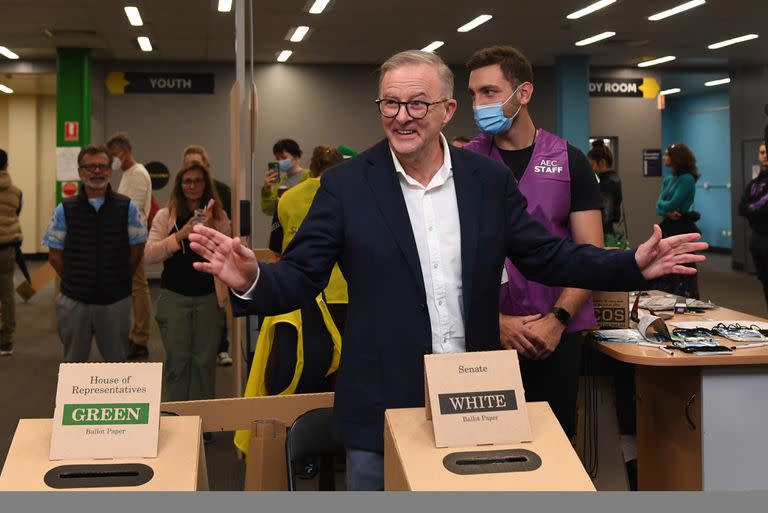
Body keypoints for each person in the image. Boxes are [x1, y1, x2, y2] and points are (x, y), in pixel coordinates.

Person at [189, 50, 706, 491]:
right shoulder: (347, 185)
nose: (402, 116)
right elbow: (302, 275)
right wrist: (251, 277)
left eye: (418, 103)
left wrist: (631, 263)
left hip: (475, 394)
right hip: (381, 403)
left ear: (447, 110)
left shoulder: (486, 179)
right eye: (390, 103)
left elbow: (548, 255)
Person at [464, 46, 604, 438]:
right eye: (473, 94)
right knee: (483, 447)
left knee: (553, 443)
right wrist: (495, 323)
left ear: (523, 93)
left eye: (489, 92)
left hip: (555, 333)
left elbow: (588, 253)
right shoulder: (464, 165)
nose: (478, 104)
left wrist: (556, 321)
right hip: (486, 336)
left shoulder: (568, 160)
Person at [42, 145, 147, 362]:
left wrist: (120, 278)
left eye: (101, 166)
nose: (96, 172)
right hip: (74, 301)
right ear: (80, 172)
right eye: (90, 167)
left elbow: (137, 250)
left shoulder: (127, 208)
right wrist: (74, 279)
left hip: (115, 300)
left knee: (117, 365)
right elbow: (54, 255)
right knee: (73, 365)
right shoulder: (65, 209)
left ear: (110, 170)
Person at [144, 163, 230, 401]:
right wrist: (180, 235)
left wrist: (211, 227)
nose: (192, 186)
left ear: (206, 185)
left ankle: (204, 426)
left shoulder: (220, 217)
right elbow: (149, 255)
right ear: (180, 186)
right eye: (187, 181)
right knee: (177, 363)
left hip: (209, 298)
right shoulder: (165, 216)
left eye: (198, 181)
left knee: (204, 364)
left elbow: (228, 253)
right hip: (174, 298)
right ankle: (176, 420)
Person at [278, 146, 348, 329]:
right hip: (343, 295)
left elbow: (277, 247)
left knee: (309, 354)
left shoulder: (286, 198)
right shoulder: (349, 196)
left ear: (312, 169)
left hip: (301, 293)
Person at [182, 145, 233, 366]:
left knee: (217, 304)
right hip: (185, 259)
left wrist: (214, 225)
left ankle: (222, 347)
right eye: (188, 164)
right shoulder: (180, 194)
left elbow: (229, 226)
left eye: (198, 164)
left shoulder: (221, 190)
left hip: (215, 257)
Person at [106, 132, 153, 359]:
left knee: (138, 289)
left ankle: (141, 338)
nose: (111, 160)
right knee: (134, 289)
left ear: (124, 151)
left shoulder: (137, 174)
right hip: (123, 241)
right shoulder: (127, 174)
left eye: (113, 154)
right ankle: (135, 335)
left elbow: (131, 212)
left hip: (132, 241)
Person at [656, 142, 701, 298]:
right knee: (667, 268)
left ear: (676, 158)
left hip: (682, 227)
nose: (664, 157)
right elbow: (659, 206)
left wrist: (664, 207)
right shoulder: (669, 179)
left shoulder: (687, 179)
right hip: (668, 226)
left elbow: (673, 203)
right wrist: (665, 209)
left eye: (667, 154)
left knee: (683, 267)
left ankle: (686, 299)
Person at [739, 143, 768, 307]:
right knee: (764, 282)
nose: (764, 155)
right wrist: (756, 208)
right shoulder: (754, 183)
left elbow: (751, 207)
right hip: (757, 239)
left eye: (767, 152)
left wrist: (753, 207)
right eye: (762, 152)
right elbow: (742, 208)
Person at [0, 149, 22, 356]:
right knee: (7, 294)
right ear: (6, 165)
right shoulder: (16, 192)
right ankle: (5, 341)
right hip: (6, 248)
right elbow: (16, 213)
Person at [588, 140, 626, 248]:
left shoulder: (608, 182)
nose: (590, 169)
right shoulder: (612, 179)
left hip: (605, 233)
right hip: (607, 231)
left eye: (592, 165)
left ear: (602, 163)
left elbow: (605, 214)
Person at [261, 138, 309, 217]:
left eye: (284, 158)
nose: (280, 162)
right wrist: (267, 189)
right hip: (284, 226)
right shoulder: (280, 181)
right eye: (277, 159)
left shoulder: (308, 176)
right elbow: (269, 210)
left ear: (296, 156)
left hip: (303, 225)